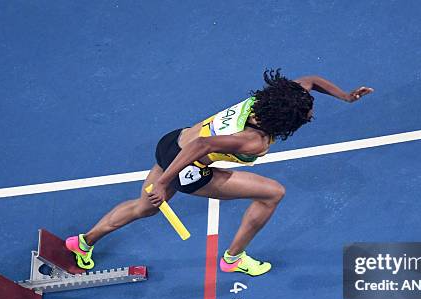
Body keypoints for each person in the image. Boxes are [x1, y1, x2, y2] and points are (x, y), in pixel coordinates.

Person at [66, 69, 373, 276]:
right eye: (306, 114)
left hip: (172, 141)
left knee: (143, 207)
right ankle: (233, 259)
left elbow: (310, 79)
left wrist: (346, 96)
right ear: (286, 119)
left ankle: (84, 241)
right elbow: (201, 146)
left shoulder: (270, 100)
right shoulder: (253, 140)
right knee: (272, 194)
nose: (311, 113)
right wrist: (163, 182)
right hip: (188, 166)